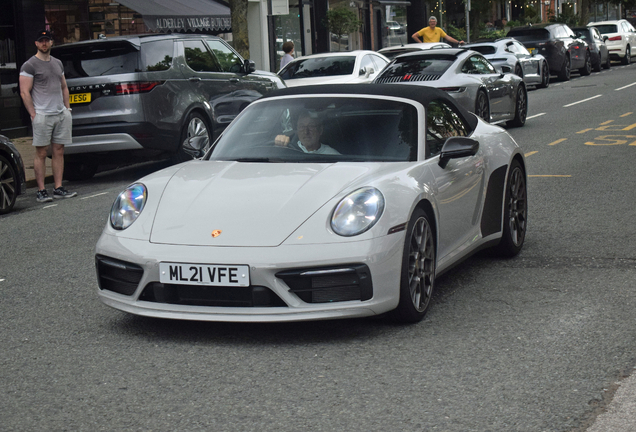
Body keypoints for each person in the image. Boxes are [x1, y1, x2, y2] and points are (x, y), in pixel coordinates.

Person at [19, 30, 77, 202]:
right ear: (36, 44)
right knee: (41, 152)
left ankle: (58, 188)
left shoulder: (57, 63)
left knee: (59, 151)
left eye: (47, 40)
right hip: (42, 115)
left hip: (60, 114)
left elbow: (64, 86)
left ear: (51, 43)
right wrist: (33, 114)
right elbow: (24, 92)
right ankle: (41, 190)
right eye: (41, 41)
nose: (44, 43)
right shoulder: (29, 65)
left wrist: (67, 109)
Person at [274, 111, 339, 154]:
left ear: (320, 130)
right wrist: (278, 146)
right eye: (302, 127)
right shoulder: (288, 148)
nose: (306, 132)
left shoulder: (332, 155)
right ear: (297, 130)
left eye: (311, 126)